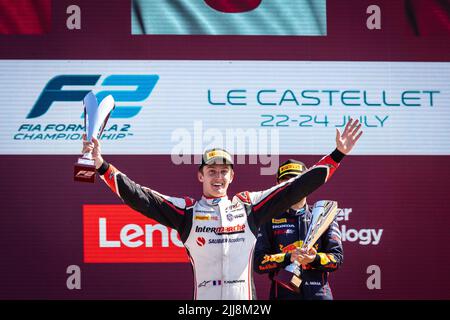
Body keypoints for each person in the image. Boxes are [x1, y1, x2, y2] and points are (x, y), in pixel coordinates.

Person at [81, 118, 362, 300]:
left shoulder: (249, 207)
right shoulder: (187, 212)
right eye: (212, 171)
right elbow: (141, 197)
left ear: (232, 176)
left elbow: (295, 187)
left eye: (224, 171)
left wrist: (337, 155)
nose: (218, 177)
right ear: (200, 176)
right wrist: (102, 167)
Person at [254, 159, 343, 300]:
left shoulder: (324, 216)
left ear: (308, 184)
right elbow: (258, 263)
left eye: (298, 181)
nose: (293, 187)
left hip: (319, 294)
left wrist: (314, 259)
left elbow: (336, 259)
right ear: (278, 186)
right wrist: (289, 257)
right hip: (283, 294)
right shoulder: (268, 219)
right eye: (286, 182)